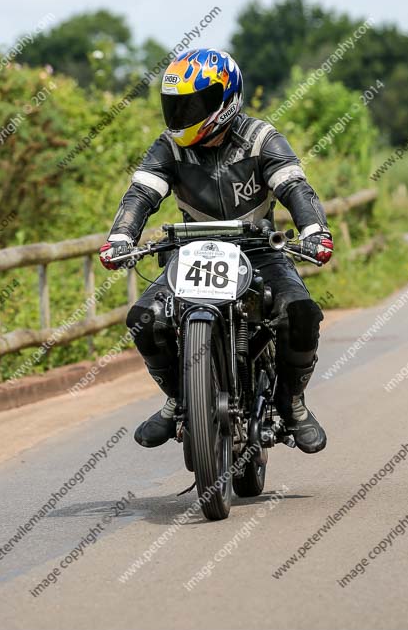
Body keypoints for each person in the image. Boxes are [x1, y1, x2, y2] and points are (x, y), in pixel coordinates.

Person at [99, 49, 333, 454]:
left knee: (301, 312)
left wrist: (315, 230)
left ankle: (293, 405)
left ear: (226, 101)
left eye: (193, 104)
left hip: (259, 249)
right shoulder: (169, 148)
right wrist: (121, 236)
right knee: (144, 318)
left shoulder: (262, 139)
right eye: (176, 105)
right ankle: (177, 401)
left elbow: (295, 187)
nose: (182, 114)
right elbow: (141, 193)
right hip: (191, 251)